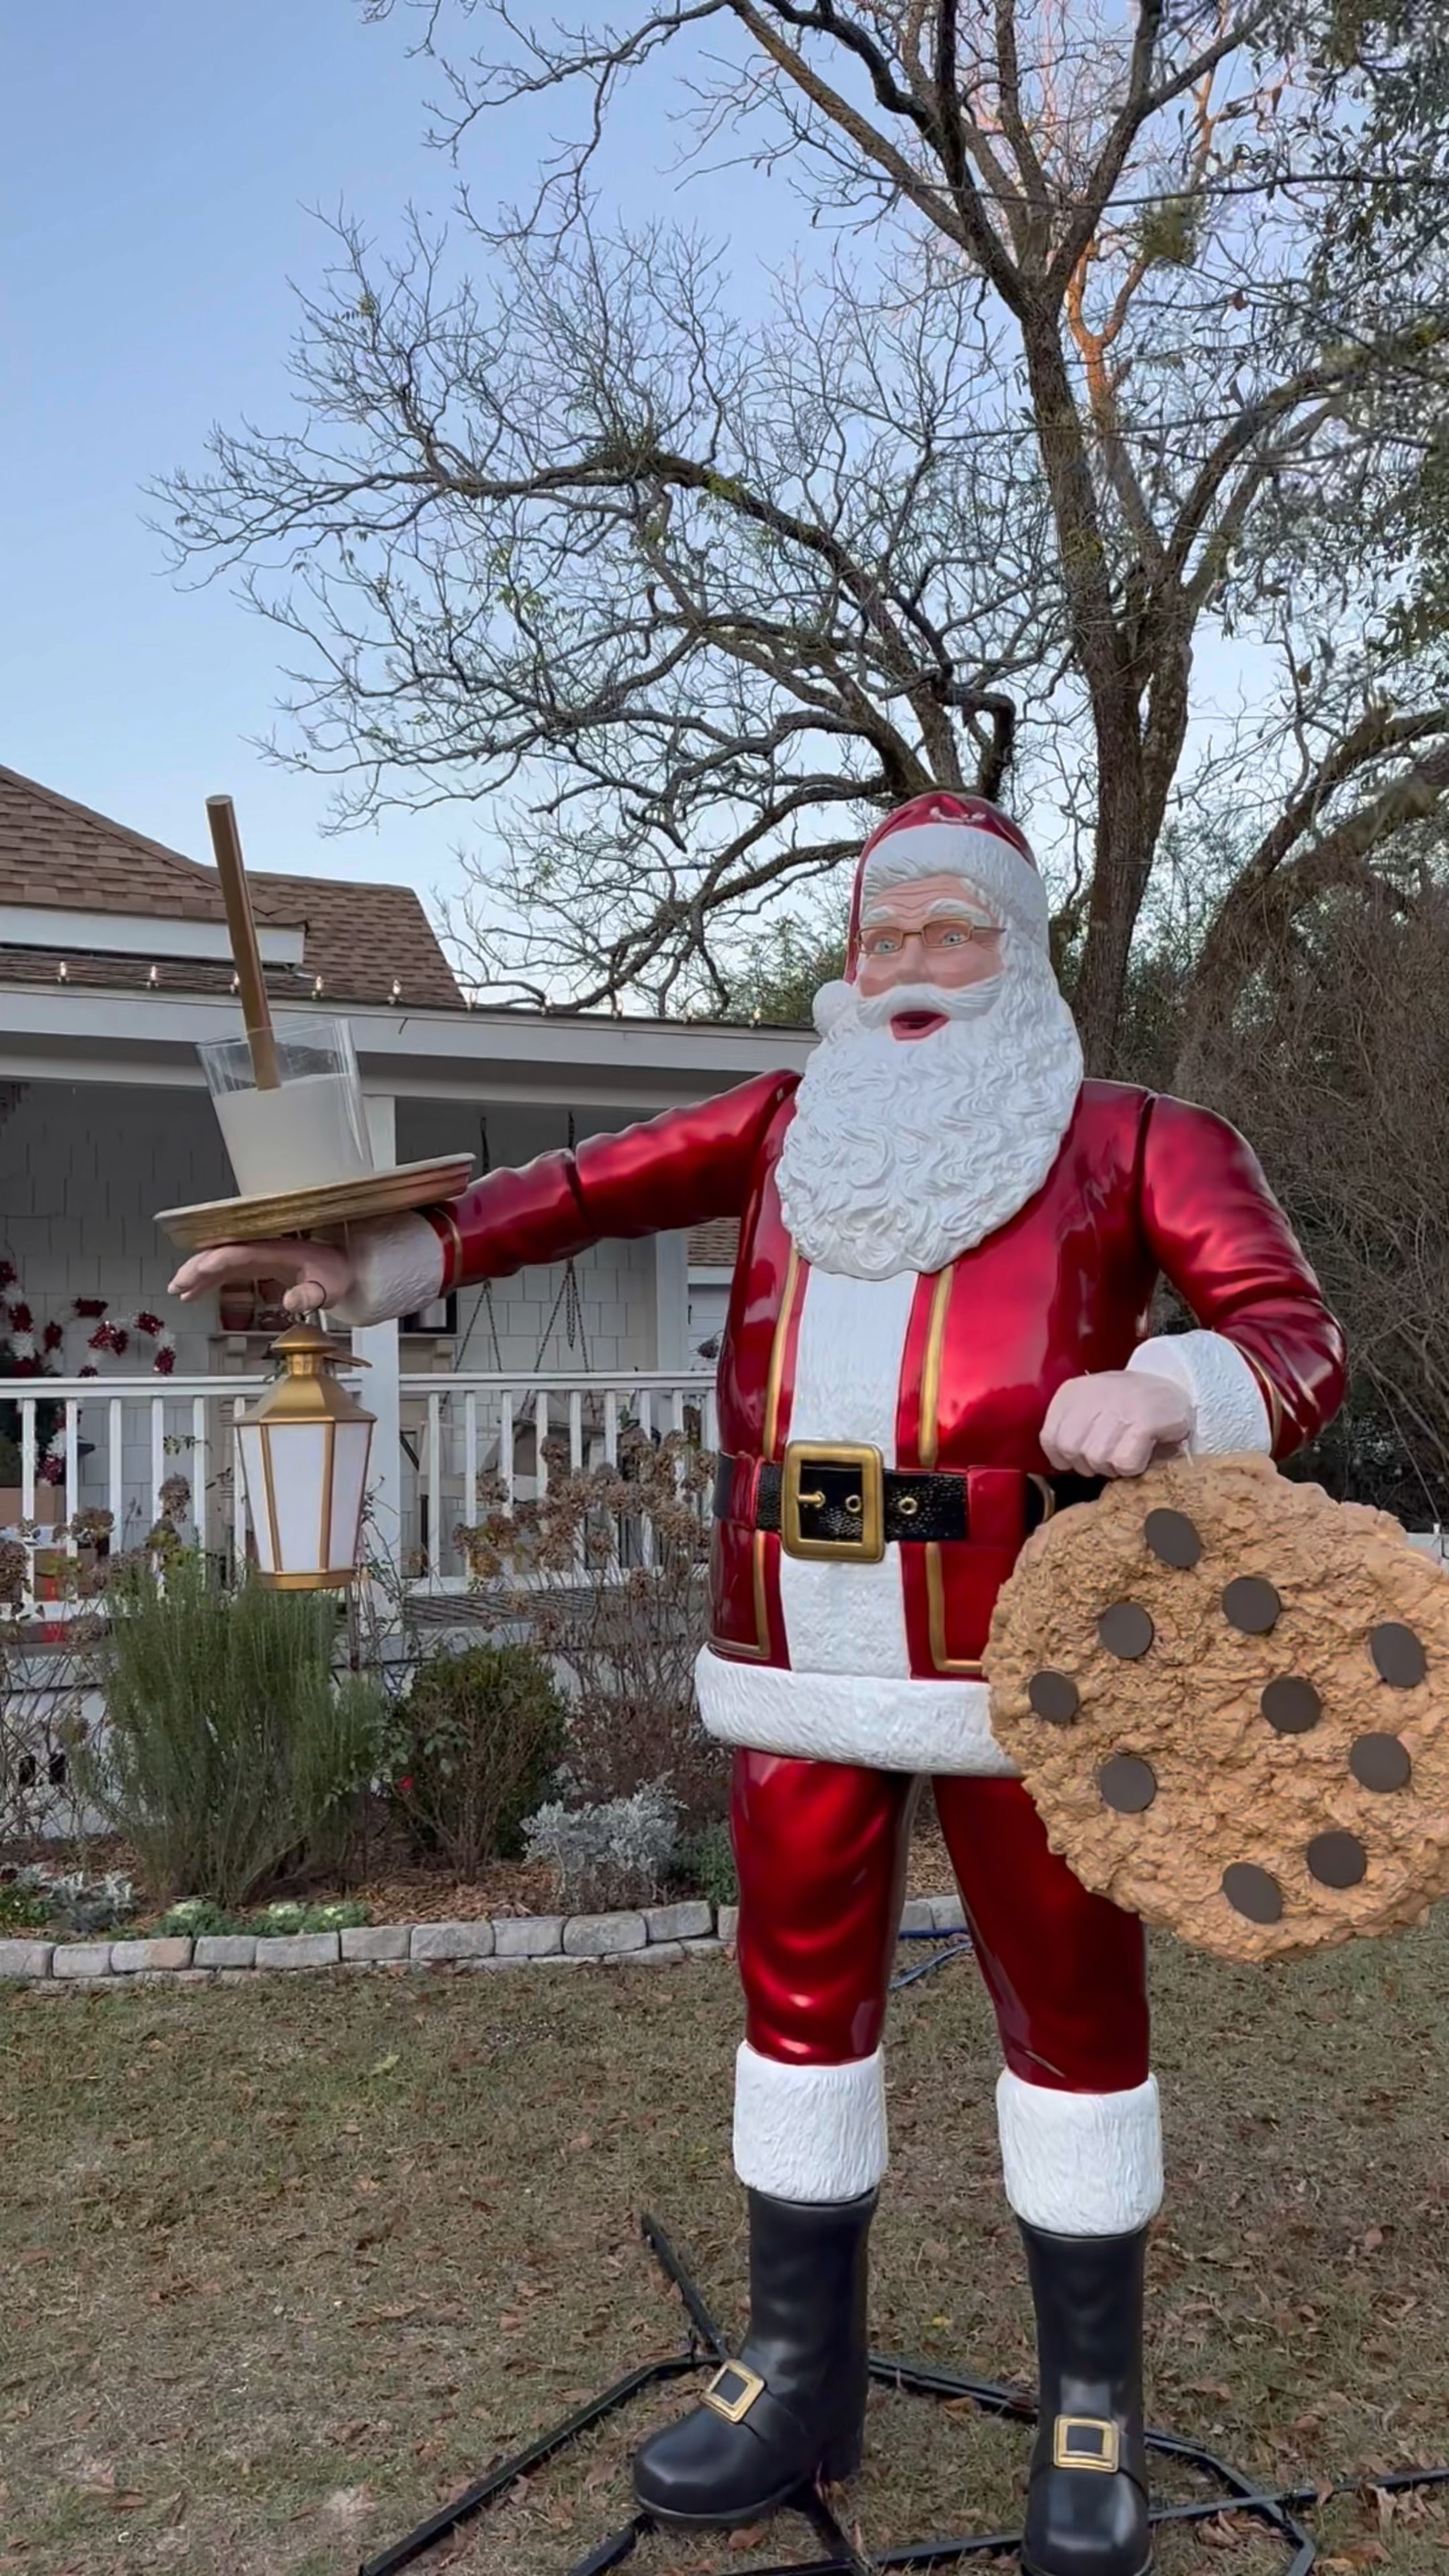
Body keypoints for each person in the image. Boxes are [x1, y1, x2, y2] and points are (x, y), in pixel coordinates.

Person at [172, 792, 1345, 2575]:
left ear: (1019, 955)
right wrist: (358, 1271)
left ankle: (1089, 2405)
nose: (911, 972)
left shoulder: (1135, 1141)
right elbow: (567, 1192)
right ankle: (802, 2367)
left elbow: (1295, 1333)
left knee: (1077, 2024)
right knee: (799, 2016)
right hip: (794, 1655)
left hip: (1030, 1666)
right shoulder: (794, 1126)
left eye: (952, 934)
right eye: (884, 939)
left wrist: (1179, 1384)